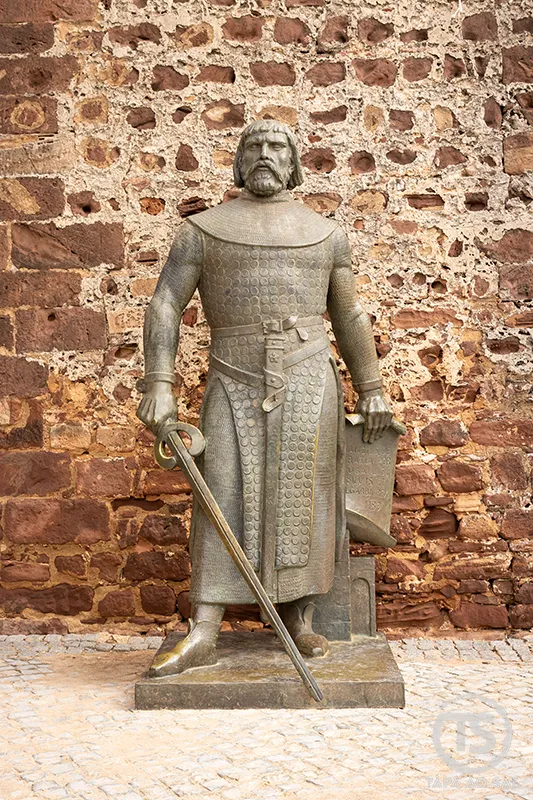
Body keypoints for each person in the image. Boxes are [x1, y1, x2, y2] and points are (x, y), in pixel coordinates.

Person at [137, 119, 392, 677]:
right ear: (238, 160)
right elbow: (165, 304)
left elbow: (349, 313)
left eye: (277, 146)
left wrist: (371, 388)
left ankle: (299, 615)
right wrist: (159, 382)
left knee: (306, 497)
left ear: (293, 163)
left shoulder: (326, 234)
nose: (265, 154)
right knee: (221, 492)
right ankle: (205, 627)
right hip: (233, 374)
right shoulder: (200, 231)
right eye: (253, 145)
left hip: (308, 375)